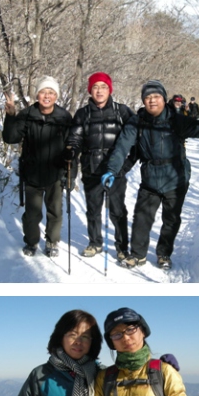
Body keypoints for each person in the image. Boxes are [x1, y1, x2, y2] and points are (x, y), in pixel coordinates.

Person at [102, 81, 199, 269]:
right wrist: (112, 170)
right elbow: (122, 147)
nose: (152, 101)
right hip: (150, 178)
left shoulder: (176, 120)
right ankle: (137, 254)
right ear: (143, 101)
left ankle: (164, 254)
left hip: (176, 178)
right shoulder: (137, 122)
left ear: (163, 98)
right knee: (142, 217)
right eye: (148, 97)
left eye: (156, 97)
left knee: (171, 219)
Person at [66, 72, 137, 260]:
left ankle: (122, 248)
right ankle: (95, 242)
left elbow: (136, 142)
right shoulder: (83, 113)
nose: (99, 91)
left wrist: (125, 166)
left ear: (110, 89)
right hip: (92, 169)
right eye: (95, 87)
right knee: (93, 209)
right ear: (90, 90)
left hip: (116, 171)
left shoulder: (122, 112)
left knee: (117, 211)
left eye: (103, 87)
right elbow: (75, 138)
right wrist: (71, 151)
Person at [2, 77, 73, 258]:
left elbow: (71, 147)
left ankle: (52, 241)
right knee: (32, 214)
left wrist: (71, 173)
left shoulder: (64, 117)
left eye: (51, 92)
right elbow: (11, 138)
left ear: (56, 96)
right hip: (32, 173)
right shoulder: (27, 114)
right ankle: (32, 242)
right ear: (37, 95)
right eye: (43, 92)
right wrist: (10, 116)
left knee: (55, 212)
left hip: (55, 173)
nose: (47, 96)